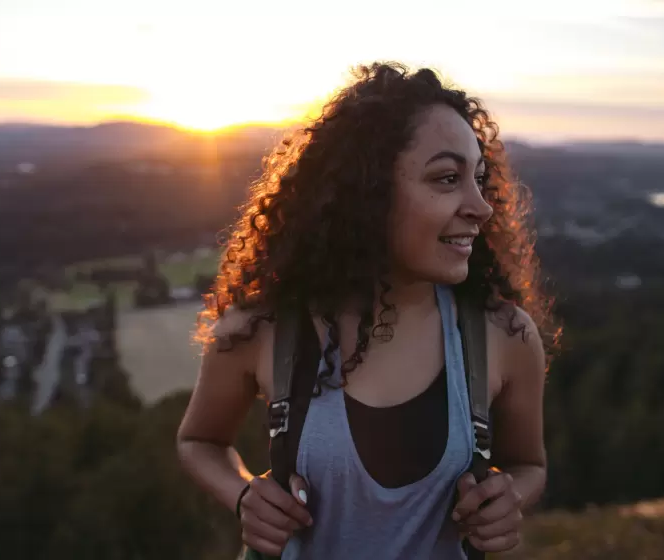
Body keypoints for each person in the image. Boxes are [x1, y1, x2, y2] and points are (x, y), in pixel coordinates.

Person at [176, 61, 556, 559]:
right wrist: (245, 495)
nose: (480, 207)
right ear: (367, 193)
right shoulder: (263, 328)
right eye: (447, 179)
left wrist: (509, 499)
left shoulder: (502, 335)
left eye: (479, 179)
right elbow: (200, 441)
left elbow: (529, 465)